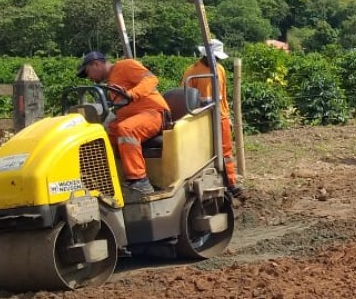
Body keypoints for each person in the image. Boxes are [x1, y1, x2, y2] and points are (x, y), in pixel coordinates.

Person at [77, 50, 170, 195]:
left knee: (126, 129)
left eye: (88, 72)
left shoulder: (126, 65)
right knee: (100, 134)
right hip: (131, 117)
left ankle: (139, 180)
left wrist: (131, 94)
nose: (89, 77)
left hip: (153, 112)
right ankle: (99, 178)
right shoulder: (111, 80)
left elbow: (151, 80)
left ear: (96, 64)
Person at [182, 38, 244, 200]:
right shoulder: (192, 72)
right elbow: (186, 98)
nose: (215, 60)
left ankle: (230, 183)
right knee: (205, 154)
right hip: (202, 118)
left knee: (226, 152)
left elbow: (223, 96)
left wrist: (227, 116)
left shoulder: (220, 70)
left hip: (220, 116)